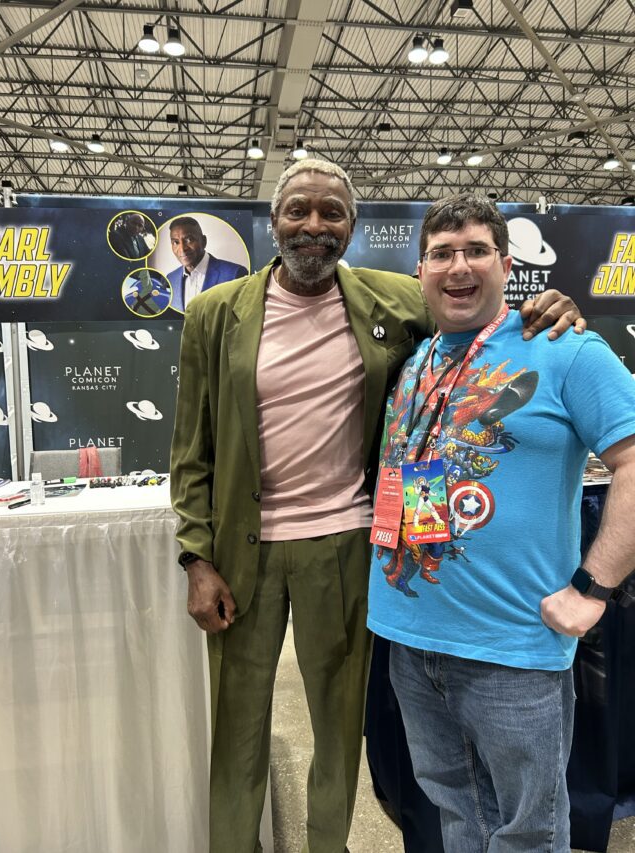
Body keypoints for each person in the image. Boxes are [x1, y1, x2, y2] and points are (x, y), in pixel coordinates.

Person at [169, 161, 584, 853]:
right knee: (236, 727)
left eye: (331, 212)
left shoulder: (392, 299)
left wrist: (549, 307)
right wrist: (195, 556)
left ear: (352, 227)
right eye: (299, 210)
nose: (314, 225)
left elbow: (473, 307)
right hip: (242, 552)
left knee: (338, 730)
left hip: (348, 544)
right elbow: (191, 446)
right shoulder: (216, 313)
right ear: (274, 221)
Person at [367, 193, 635, 853]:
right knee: (455, 811)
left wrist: (593, 587)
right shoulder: (417, 362)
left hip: (511, 649)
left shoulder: (566, 349)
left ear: (506, 264)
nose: (459, 267)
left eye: (476, 251)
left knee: (528, 829)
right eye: (441, 253)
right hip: (411, 641)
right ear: (420, 270)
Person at [166, 216, 247, 312]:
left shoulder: (235, 274)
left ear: (204, 241)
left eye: (189, 240)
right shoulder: (170, 279)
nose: (182, 249)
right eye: (176, 242)